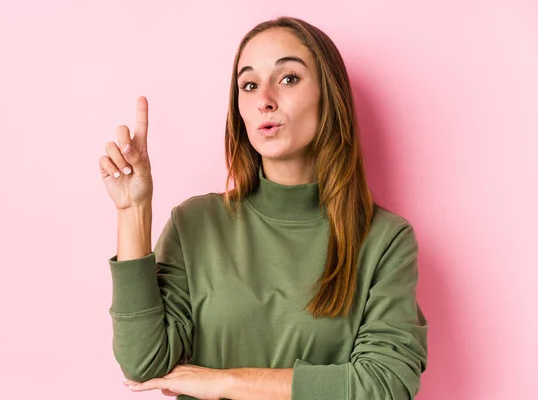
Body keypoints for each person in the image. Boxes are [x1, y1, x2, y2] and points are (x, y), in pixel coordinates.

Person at [99, 16, 428, 400]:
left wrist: (226, 382)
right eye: (249, 85)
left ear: (329, 94)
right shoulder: (195, 224)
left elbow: (385, 383)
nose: (264, 100)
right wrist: (133, 210)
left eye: (288, 78)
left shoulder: (384, 240)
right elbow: (144, 363)